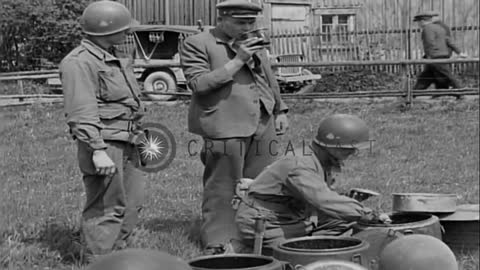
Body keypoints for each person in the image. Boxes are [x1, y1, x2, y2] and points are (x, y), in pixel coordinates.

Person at [180, 0, 289, 255]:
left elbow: (267, 76)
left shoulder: (253, 40)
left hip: (262, 121)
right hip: (224, 124)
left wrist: (280, 109)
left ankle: (255, 235)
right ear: (222, 19)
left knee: (263, 183)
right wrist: (239, 60)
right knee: (223, 186)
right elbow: (199, 85)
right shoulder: (198, 43)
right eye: (241, 22)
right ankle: (219, 241)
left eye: (251, 22)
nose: (247, 27)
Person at [59, 0, 146, 258]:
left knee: (132, 204)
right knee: (107, 206)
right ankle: (100, 261)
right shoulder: (79, 63)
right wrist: (97, 149)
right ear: (106, 31)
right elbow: (81, 110)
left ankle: (119, 257)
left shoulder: (114, 57)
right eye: (124, 28)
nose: (128, 32)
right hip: (104, 142)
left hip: (129, 138)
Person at [233, 114, 391, 255]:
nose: (352, 152)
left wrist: (350, 204)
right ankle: (245, 252)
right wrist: (368, 214)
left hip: (293, 215)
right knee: (293, 258)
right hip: (267, 222)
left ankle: (314, 247)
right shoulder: (300, 164)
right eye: (348, 148)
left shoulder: (321, 159)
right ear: (330, 145)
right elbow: (324, 200)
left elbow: (324, 197)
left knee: (346, 221)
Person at [412, 11, 468, 99]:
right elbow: (449, 41)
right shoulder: (439, 28)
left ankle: (461, 93)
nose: (418, 24)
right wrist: (459, 52)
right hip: (442, 55)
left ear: (422, 21)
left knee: (447, 75)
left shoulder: (427, 29)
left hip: (435, 57)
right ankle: (412, 95)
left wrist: (429, 57)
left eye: (418, 22)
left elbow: (429, 43)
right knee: (426, 77)